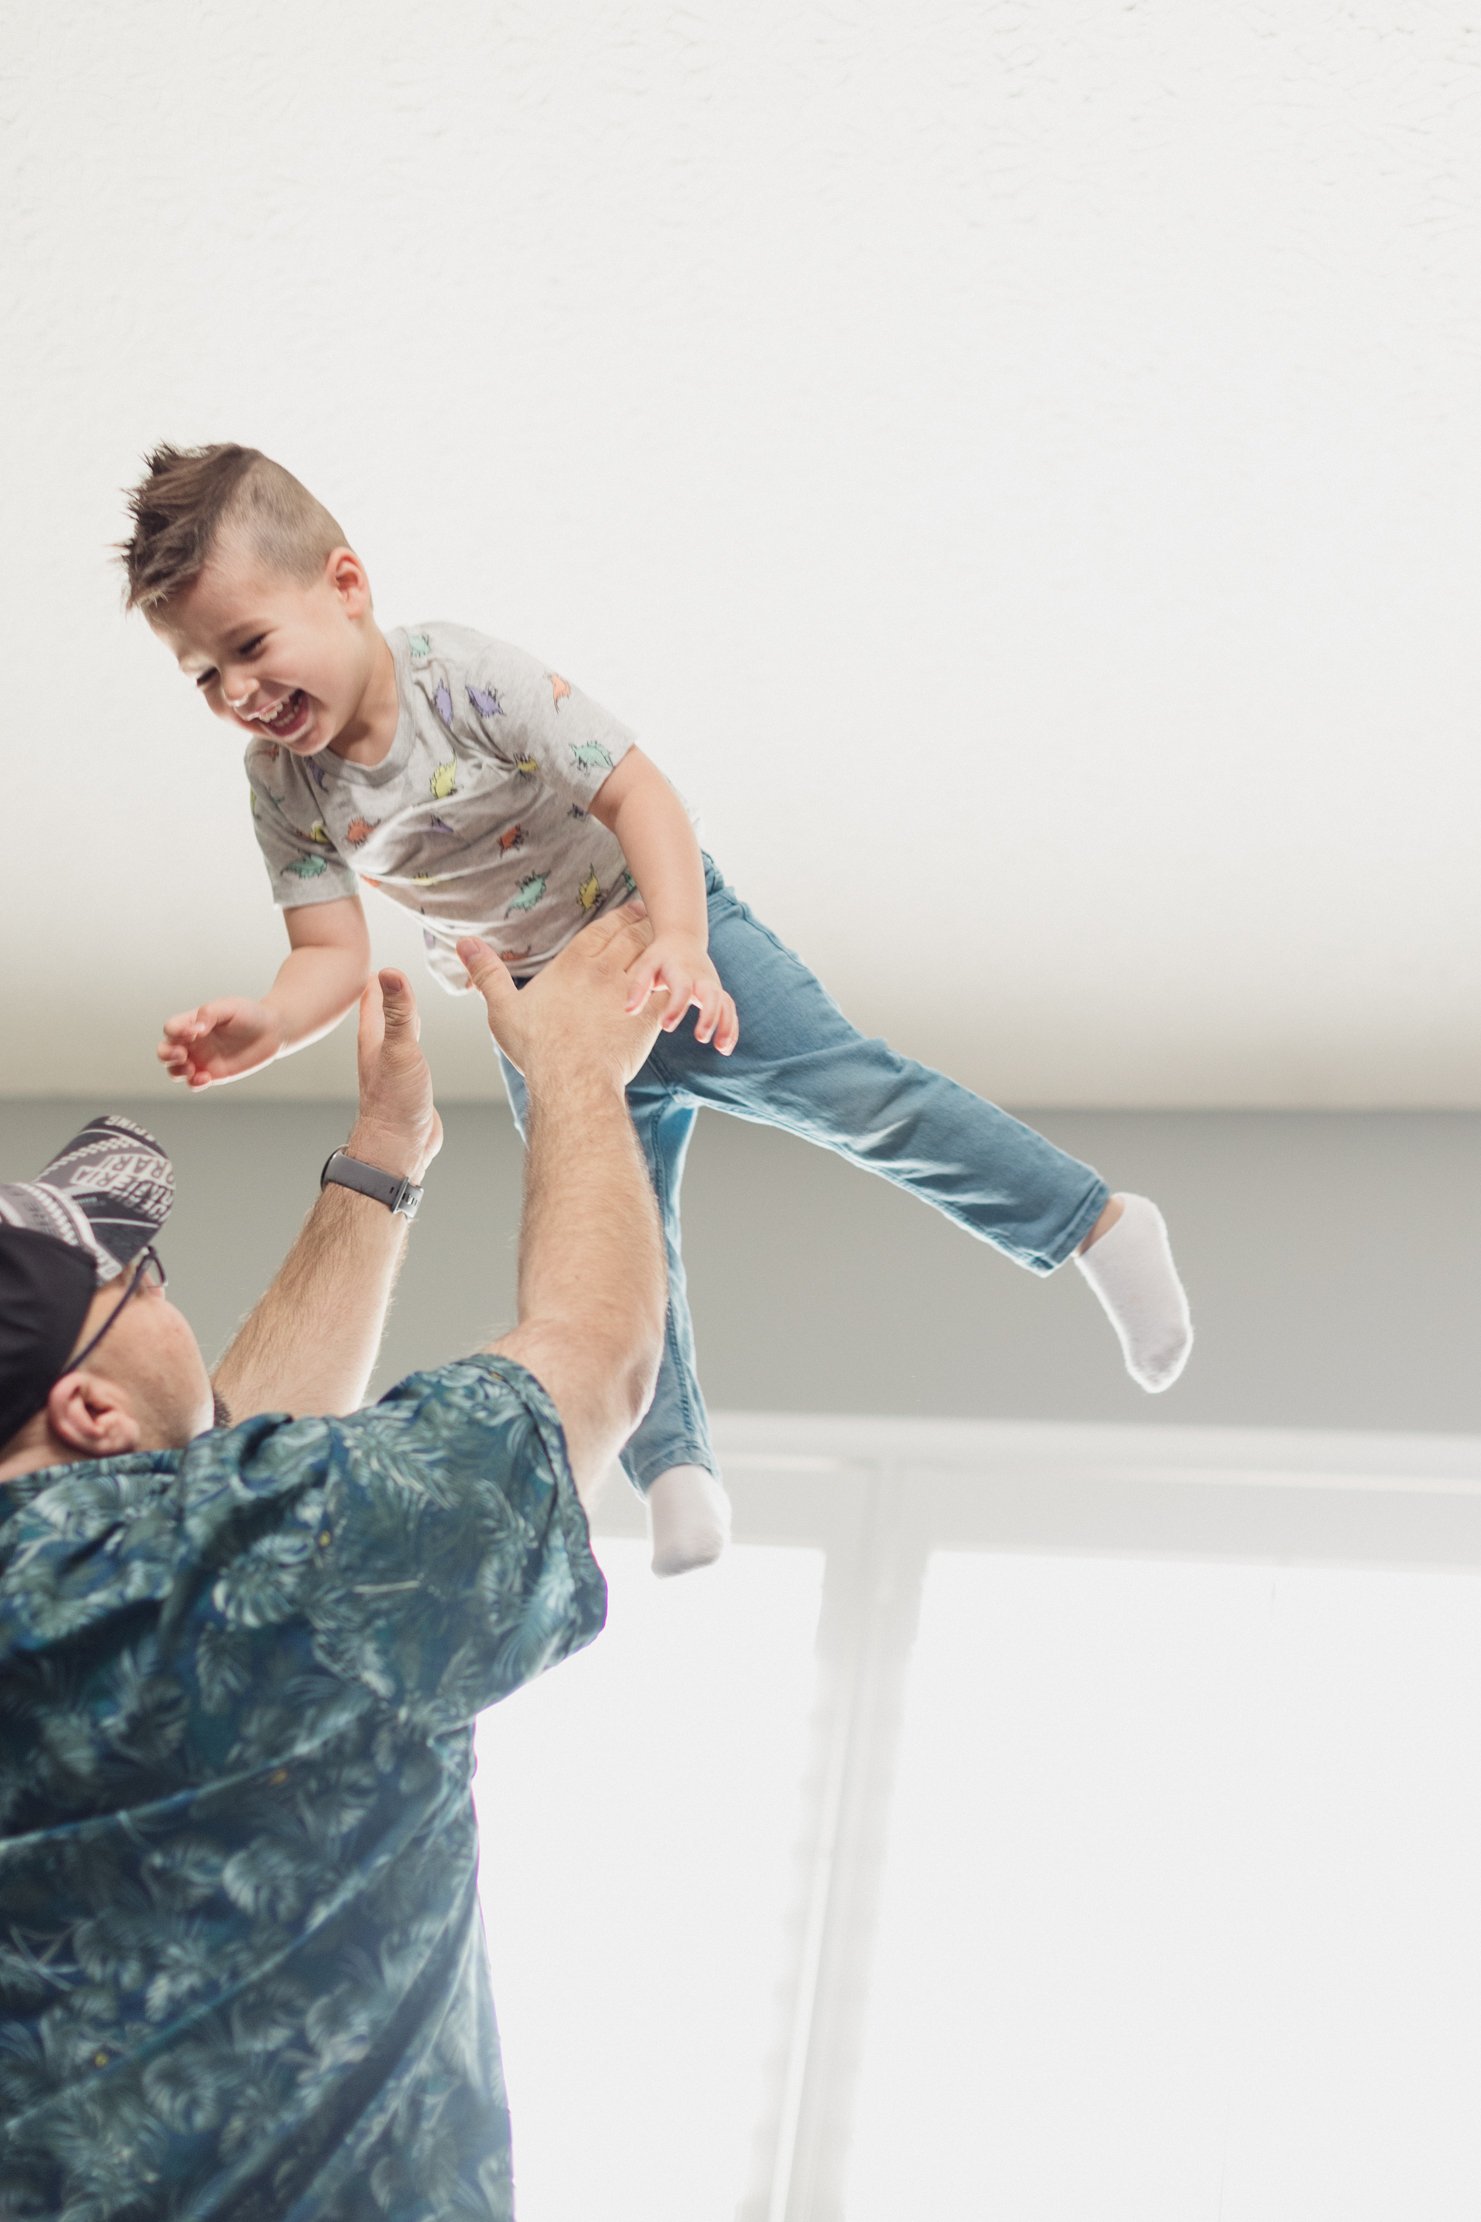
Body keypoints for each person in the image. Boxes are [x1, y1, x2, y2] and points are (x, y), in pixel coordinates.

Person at [119, 442, 1194, 1577]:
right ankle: (674, 1468)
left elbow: (637, 789)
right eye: (202, 675)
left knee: (856, 1092)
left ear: (345, 586)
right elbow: (327, 948)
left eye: (248, 646)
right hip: (544, 1010)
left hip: (657, 930)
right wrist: (273, 1022)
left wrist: (683, 941)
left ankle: (1093, 1223)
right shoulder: (280, 784)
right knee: (616, 1238)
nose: (236, 693)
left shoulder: (460, 677)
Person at [0, 909, 668, 2222]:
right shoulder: (231, 1574)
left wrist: (381, 1164)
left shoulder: (146, 1584)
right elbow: (593, 1364)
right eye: (143, 1277)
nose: (163, 1290)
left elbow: (237, 1483)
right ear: (84, 1411)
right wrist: (577, 1063)